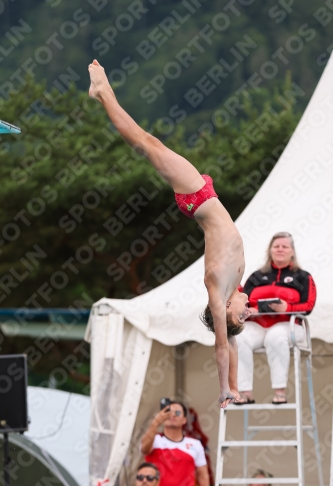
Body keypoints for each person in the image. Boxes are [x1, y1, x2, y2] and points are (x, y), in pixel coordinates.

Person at [88, 59, 250, 408]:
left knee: (147, 144)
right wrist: (236, 387)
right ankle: (104, 95)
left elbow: (223, 345)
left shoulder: (216, 289)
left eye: (241, 314)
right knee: (149, 145)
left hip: (198, 198)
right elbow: (234, 343)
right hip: (205, 199)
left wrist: (222, 390)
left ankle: (104, 94)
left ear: (222, 311)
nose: (247, 310)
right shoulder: (234, 286)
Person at [236, 232, 316, 404]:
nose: (280, 249)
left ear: (292, 251)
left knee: (276, 336)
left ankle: (280, 391)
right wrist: (251, 309)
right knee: (238, 337)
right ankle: (245, 392)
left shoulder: (303, 276)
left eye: (284, 246)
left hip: (289, 324)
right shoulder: (256, 276)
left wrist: (288, 307)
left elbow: (308, 305)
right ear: (270, 250)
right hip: (258, 325)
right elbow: (242, 301)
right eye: (276, 246)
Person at [140, 401, 209, 486]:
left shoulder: (195, 444)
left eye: (177, 412)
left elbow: (202, 474)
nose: (173, 415)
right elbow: (144, 449)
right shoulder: (154, 439)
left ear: (184, 420)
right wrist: (156, 422)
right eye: (168, 412)